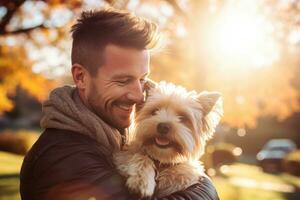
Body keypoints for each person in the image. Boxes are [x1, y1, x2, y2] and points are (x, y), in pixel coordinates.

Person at [20, 8, 219, 200]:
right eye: (122, 81)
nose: (139, 96)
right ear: (81, 77)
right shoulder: (65, 159)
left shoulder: (115, 132)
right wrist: (206, 189)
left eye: (142, 80)